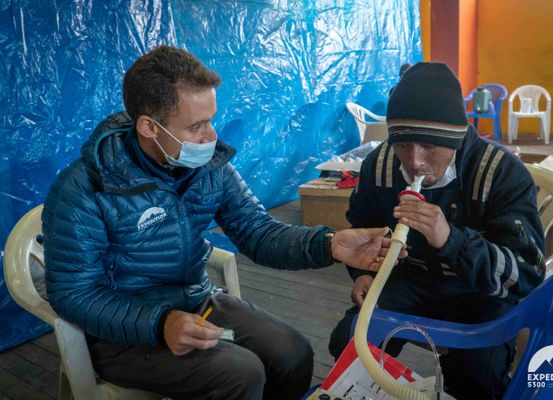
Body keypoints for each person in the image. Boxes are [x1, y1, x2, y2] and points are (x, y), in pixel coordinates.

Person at [42, 45, 392, 400]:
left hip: (197, 302)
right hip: (121, 333)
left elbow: (258, 231)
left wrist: (328, 244)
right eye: (195, 126)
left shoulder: (210, 169)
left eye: (211, 119)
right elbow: (73, 292)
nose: (211, 136)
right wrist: (159, 324)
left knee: (294, 353)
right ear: (148, 127)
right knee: (240, 375)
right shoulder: (83, 189)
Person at [329, 62, 546, 399]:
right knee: (348, 342)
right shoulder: (382, 164)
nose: (414, 162)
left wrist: (452, 240)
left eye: (429, 146)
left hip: (477, 292)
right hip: (410, 281)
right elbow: (361, 225)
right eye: (404, 145)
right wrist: (361, 271)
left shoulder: (500, 172)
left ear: (455, 140)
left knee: (478, 373)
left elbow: (526, 273)